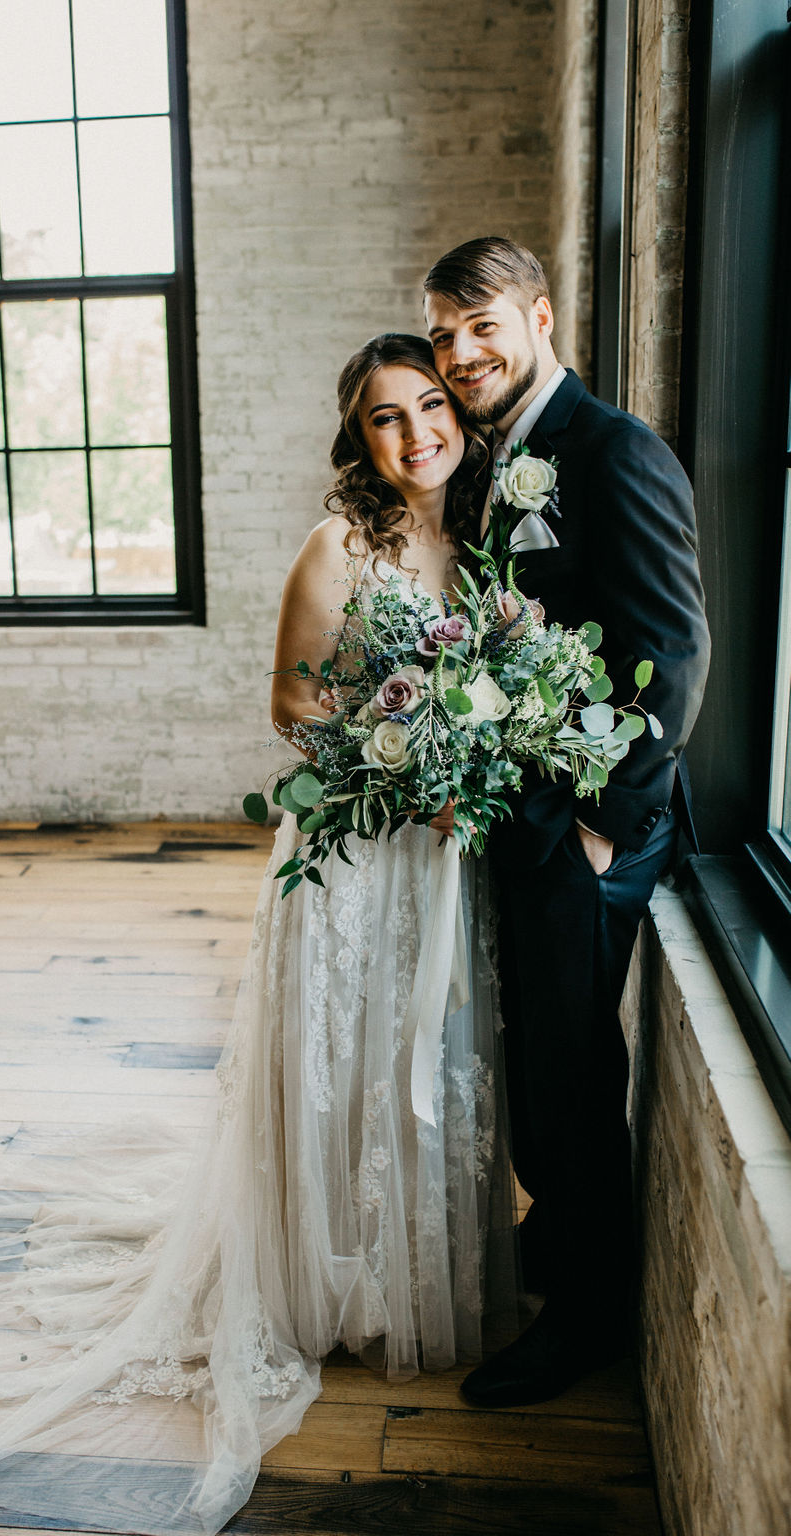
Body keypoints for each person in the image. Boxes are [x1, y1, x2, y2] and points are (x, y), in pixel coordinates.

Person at [0, 333, 518, 1536]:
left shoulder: (489, 536)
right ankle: (317, 1286)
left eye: (429, 407)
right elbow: (291, 701)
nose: (414, 435)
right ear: (360, 440)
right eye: (385, 419)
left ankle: (408, 1275)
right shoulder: (340, 545)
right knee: (340, 1063)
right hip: (355, 852)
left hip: (442, 862)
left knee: (419, 1066)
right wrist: (397, 762)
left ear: (459, 410)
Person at [422, 236, 710, 1407]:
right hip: (522, 813)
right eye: (444, 333)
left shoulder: (610, 449)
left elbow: (672, 657)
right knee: (539, 1055)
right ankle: (557, 1239)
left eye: (480, 325)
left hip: (591, 827)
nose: (460, 352)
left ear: (538, 316)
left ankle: (586, 1318)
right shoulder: (498, 460)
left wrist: (596, 825)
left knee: (575, 1066)